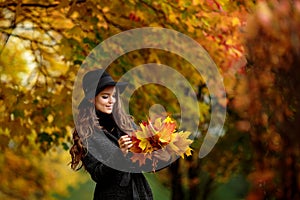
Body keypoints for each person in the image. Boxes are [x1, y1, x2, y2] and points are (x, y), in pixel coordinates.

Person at [69, 69, 170, 200]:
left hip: (140, 194)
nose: (112, 101)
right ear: (91, 99)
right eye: (105, 96)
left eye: (114, 96)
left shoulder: (126, 125)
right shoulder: (87, 134)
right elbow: (98, 175)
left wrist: (163, 154)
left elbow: (145, 164)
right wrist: (119, 153)